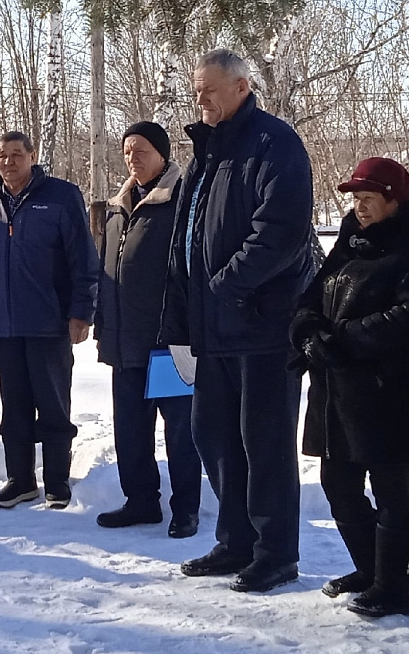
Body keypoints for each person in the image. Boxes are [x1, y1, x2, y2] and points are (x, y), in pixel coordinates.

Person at [162, 49, 315, 593]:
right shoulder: (206, 153)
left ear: (243, 86)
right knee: (213, 433)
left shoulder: (275, 144)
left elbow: (279, 231)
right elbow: (186, 239)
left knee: (263, 441)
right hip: (212, 329)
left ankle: (275, 552)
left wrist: (225, 286)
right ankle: (235, 540)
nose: (199, 98)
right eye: (195, 89)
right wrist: (183, 313)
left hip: (262, 325)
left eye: (208, 89)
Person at [289, 157, 409, 617]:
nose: (360, 207)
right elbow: (313, 295)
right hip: (334, 387)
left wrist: (343, 339)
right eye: (355, 199)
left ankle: (395, 585)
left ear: (395, 200)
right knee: (338, 484)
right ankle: (370, 568)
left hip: (382, 390)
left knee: (390, 488)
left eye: (368, 199)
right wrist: (309, 332)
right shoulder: (350, 241)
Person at [0, 131, 98, 510]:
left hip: (49, 322)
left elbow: (82, 259)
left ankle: (57, 482)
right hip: (1, 324)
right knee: (12, 406)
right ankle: (19, 480)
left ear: (32, 156)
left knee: (53, 404)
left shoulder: (61, 197)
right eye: (2, 155)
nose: (9, 162)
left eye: (17, 154)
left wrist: (81, 311)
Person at [94, 121, 201, 537]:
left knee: (179, 431)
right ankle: (141, 501)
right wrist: (104, 322)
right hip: (124, 339)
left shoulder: (179, 199)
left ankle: (186, 508)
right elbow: (107, 271)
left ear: (162, 154)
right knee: (130, 429)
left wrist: (187, 328)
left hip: (166, 340)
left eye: (140, 150)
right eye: (126, 151)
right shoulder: (119, 206)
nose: (132, 158)